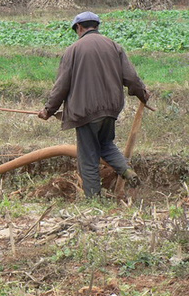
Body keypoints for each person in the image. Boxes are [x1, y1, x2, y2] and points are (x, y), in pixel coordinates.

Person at [38, 11, 150, 199]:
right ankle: (128, 172)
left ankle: (94, 200)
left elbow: (61, 86)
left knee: (88, 158)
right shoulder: (115, 47)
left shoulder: (72, 51)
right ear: (96, 26)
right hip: (111, 109)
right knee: (106, 143)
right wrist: (143, 95)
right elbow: (131, 77)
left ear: (79, 28)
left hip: (85, 112)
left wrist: (48, 110)